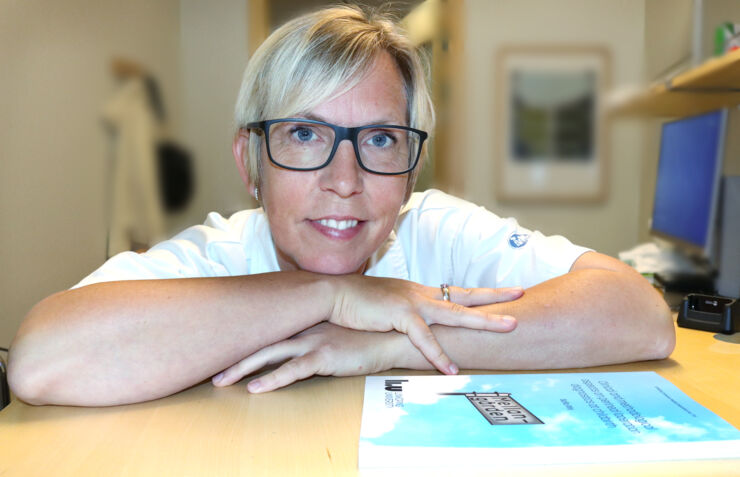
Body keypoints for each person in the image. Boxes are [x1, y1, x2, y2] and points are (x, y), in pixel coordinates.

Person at [8, 5, 674, 407]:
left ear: (411, 165)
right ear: (251, 162)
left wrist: (390, 343)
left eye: (381, 138)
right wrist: (324, 296)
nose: (345, 178)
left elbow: (642, 316)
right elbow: (42, 359)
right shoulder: (218, 257)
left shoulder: (436, 232)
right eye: (305, 134)